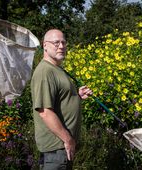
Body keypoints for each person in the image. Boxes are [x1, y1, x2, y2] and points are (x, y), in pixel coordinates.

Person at [31, 29, 93, 170]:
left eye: (63, 42)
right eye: (56, 42)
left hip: (62, 148)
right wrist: (68, 139)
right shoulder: (45, 72)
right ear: (44, 45)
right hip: (56, 148)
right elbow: (45, 112)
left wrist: (77, 96)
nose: (61, 46)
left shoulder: (56, 69)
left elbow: (59, 100)